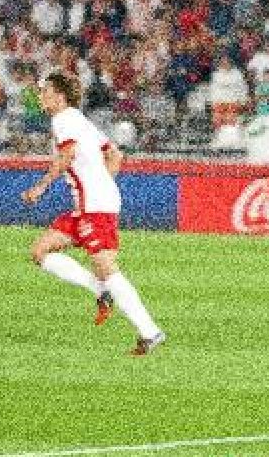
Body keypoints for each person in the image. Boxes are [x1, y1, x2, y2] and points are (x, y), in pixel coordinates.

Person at [21, 73, 165, 356]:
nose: (41, 96)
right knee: (40, 251)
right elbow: (116, 155)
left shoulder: (63, 120)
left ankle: (150, 331)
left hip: (95, 205)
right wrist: (103, 184)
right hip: (90, 203)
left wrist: (40, 188)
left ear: (60, 96)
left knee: (108, 270)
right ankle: (101, 291)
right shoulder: (81, 120)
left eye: (45, 91)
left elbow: (66, 156)